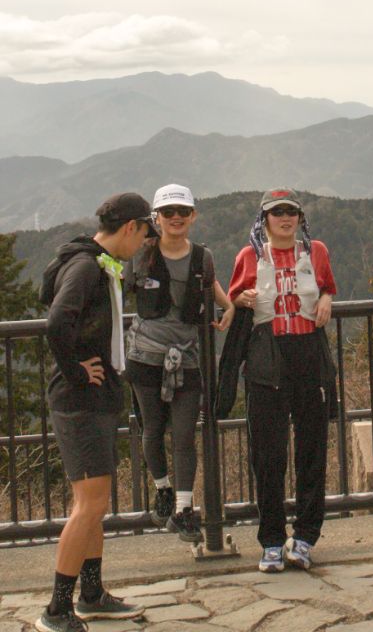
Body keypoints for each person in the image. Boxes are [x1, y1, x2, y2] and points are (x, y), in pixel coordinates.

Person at [37, 193, 155, 632]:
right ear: (130, 228)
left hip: (96, 398)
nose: (143, 243)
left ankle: (91, 594)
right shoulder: (87, 266)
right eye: (144, 233)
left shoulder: (98, 261)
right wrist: (76, 372)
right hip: (80, 403)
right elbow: (56, 323)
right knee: (88, 506)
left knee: (95, 502)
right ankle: (57, 609)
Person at [228, 189, 337, 573]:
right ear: (265, 220)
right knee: (268, 456)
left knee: (312, 451)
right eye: (278, 213)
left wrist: (325, 297)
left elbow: (325, 286)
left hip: (308, 353)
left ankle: (305, 536)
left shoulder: (316, 251)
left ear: (300, 218)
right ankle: (271, 540)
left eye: (292, 211)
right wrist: (242, 299)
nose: (285, 218)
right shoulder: (250, 256)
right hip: (266, 358)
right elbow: (235, 298)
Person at [124, 183, 232, 543]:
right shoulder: (137, 254)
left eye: (182, 212)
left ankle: (184, 511)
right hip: (145, 356)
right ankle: (163, 489)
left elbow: (211, 286)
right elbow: (110, 283)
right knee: (152, 429)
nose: (175, 218)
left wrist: (229, 305)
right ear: (155, 218)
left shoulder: (203, 256)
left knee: (185, 434)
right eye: (167, 212)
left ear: (193, 216)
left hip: (187, 357)